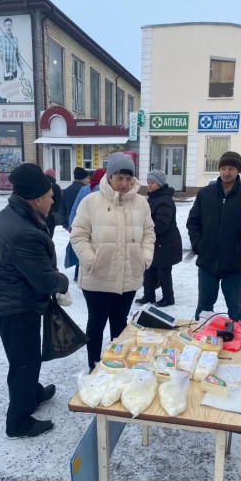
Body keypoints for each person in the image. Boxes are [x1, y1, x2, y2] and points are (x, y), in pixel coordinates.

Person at [0, 163, 69, 438]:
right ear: (36, 200)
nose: (53, 199)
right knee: (24, 362)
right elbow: (44, 280)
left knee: (25, 357)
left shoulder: (12, 214)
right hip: (16, 306)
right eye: (50, 196)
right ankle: (19, 421)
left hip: (10, 300)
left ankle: (32, 393)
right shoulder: (24, 231)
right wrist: (63, 280)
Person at [70, 153, 155, 370]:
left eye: (128, 178)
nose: (124, 183)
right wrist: (91, 261)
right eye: (119, 177)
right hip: (97, 275)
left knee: (120, 323)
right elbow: (78, 235)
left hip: (129, 274)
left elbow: (149, 234)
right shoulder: (91, 201)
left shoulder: (141, 203)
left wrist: (144, 259)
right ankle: (94, 365)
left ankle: (117, 365)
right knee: (96, 324)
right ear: (109, 177)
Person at [186, 151, 241, 322]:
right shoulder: (205, 194)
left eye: (231, 168)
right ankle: (201, 342)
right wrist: (199, 245)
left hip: (235, 266)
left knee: (236, 311)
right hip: (207, 264)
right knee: (203, 309)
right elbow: (193, 222)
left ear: (238, 171)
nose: (226, 172)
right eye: (223, 168)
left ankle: (240, 345)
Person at [135, 169, 182, 307]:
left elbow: (161, 224)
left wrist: (144, 230)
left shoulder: (164, 200)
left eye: (153, 183)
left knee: (163, 272)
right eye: (148, 182)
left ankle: (168, 297)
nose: (149, 185)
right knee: (149, 270)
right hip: (155, 243)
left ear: (160, 184)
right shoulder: (154, 198)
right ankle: (149, 295)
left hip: (165, 243)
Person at [60, 167, 90, 281]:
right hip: (83, 223)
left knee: (76, 246)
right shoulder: (86, 190)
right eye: (87, 177)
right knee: (84, 247)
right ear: (83, 178)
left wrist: (65, 223)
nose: (88, 180)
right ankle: (80, 273)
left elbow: (61, 208)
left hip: (71, 223)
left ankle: (77, 273)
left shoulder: (67, 190)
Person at [0, 17, 24, 81]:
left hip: (14, 70)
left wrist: (22, 69)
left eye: (9, 25)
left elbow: (17, 55)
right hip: (4, 71)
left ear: (12, 26)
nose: (8, 27)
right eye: (6, 25)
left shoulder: (15, 39)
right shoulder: (0, 39)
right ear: (4, 27)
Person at [44, 168, 62, 238]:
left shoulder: (40, 185)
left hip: (40, 215)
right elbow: (58, 202)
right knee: (49, 235)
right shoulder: (56, 187)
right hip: (51, 216)